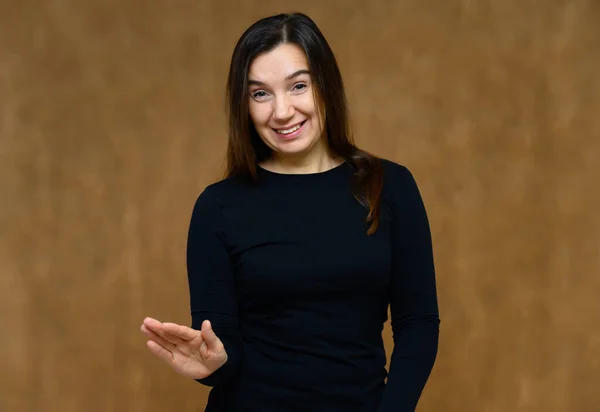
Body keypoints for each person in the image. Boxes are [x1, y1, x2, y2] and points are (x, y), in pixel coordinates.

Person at [140, 12, 440, 412]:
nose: (282, 112)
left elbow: (417, 324)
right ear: (243, 104)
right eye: (260, 93)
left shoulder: (391, 187)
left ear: (326, 86)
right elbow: (223, 346)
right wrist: (213, 365)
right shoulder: (217, 208)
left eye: (298, 86)